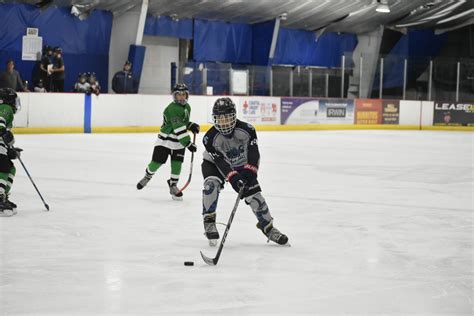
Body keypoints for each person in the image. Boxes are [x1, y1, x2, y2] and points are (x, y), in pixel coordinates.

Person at [201, 97, 289, 246]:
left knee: (256, 197)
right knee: (211, 185)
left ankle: (268, 228)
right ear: (214, 119)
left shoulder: (247, 130)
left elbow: (254, 154)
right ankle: (209, 220)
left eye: (227, 118)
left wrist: (250, 172)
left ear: (234, 116)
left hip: (241, 165)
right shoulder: (209, 139)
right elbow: (220, 162)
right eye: (220, 119)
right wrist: (233, 178)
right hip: (215, 165)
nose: (224, 122)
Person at [136, 83, 199, 200]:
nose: (181, 97)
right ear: (174, 96)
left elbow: (183, 122)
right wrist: (188, 144)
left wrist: (190, 125)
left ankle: (173, 184)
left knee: (177, 164)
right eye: (178, 95)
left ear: (187, 95)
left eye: (183, 94)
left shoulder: (187, 107)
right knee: (156, 162)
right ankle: (147, 176)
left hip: (179, 141)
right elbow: (178, 127)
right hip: (165, 140)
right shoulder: (172, 108)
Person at [0, 88, 22, 217]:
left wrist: (10, 151)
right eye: (14, 101)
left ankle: (2, 197)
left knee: (11, 168)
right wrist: (3, 131)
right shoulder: (5, 108)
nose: (15, 104)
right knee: (3, 168)